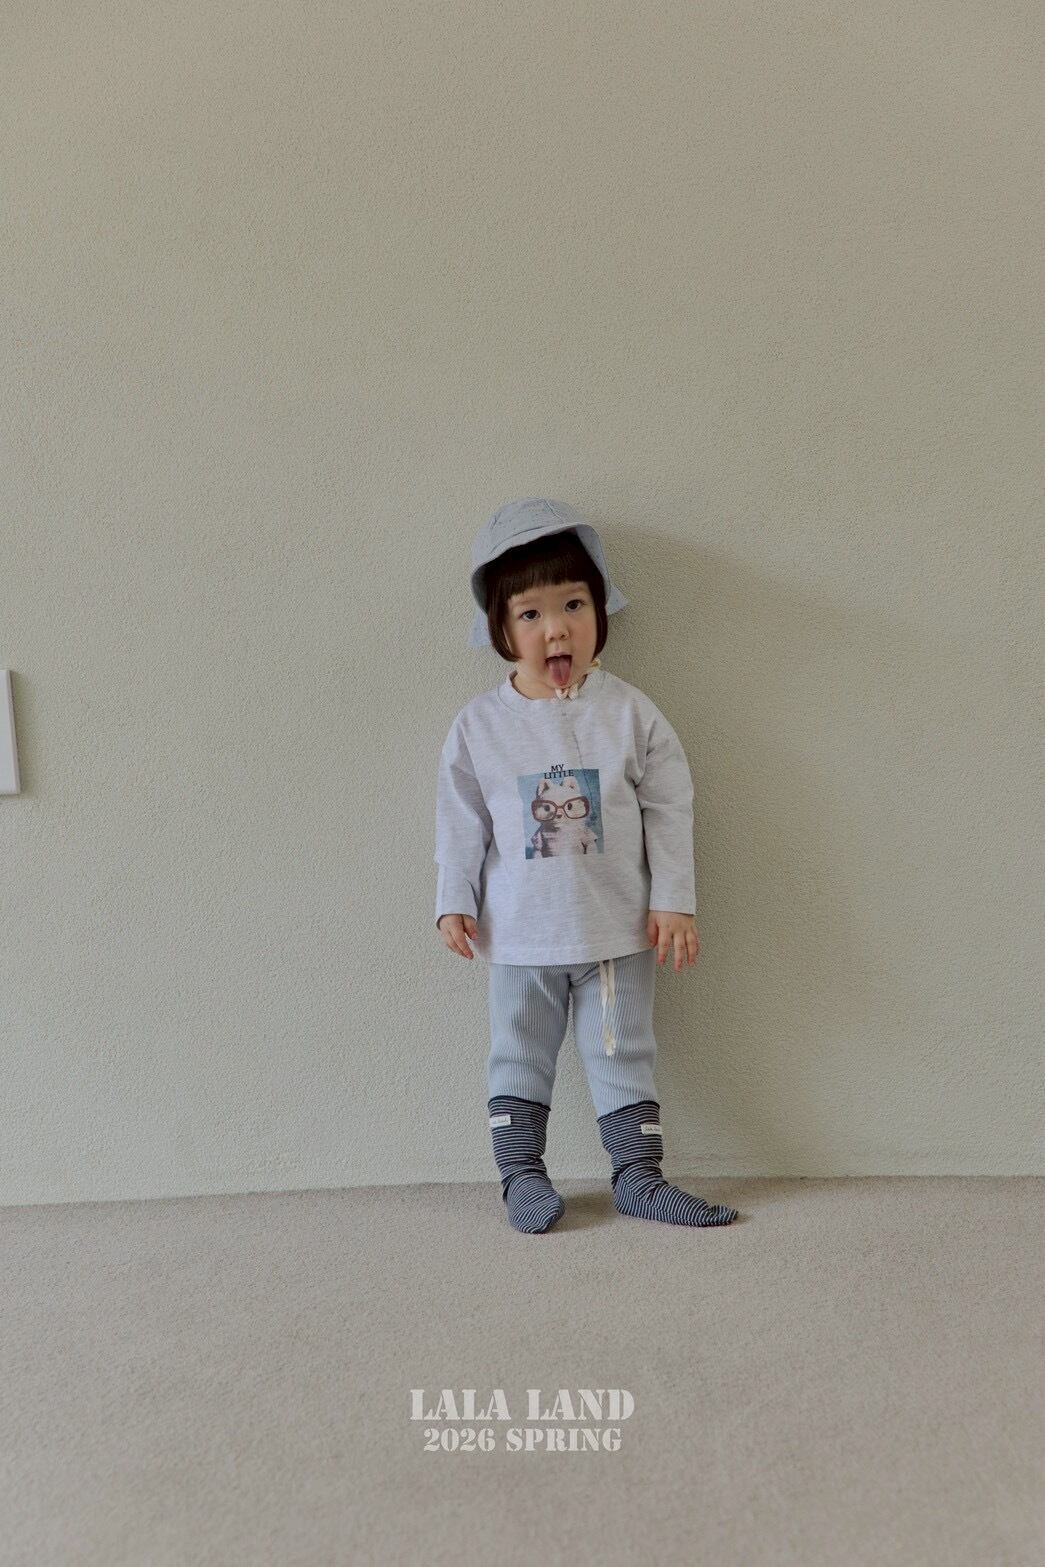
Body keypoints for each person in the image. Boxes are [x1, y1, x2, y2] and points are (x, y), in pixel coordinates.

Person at [434, 497, 739, 1235]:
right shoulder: (479, 727)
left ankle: (638, 1178)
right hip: (520, 937)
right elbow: (460, 821)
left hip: (616, 932)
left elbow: (669, 807)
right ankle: (521, 1176)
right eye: (531, 614)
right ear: (501, 629)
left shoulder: (630, 714)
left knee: (623, 1052)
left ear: (601, 610)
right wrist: (453, 898)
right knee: (518, 1053)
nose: (557, 628)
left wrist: (674, 899)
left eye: (573, 605)